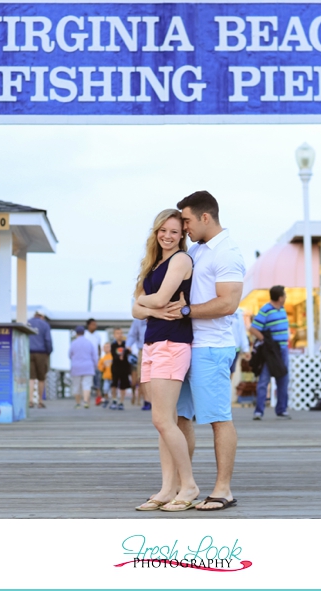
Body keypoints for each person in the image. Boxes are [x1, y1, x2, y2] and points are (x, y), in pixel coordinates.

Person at [177, 191, 245, 511]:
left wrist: (187, 312)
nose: (184, 226)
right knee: (180, 417)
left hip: (212, 347)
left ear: (206, 217)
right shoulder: (198, 249)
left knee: (219, 418)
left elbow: (228, 303)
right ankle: (184, 486)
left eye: (187, 220)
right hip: (188, 346)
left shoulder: (227, 252)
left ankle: (223, 490)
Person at [132, 208, 199, 512]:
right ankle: (167, 487)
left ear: (182, 234)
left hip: (173, 343)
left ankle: (189, 485)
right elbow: (136, 310)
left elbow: (152, 301)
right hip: (152, 343)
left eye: (174, 231)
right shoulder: (151, 265)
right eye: (163, 230)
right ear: (156, 231)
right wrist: (148, 307)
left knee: (162, 419)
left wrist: (146, 304)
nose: (168, 236)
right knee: (162, 422)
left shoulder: (181, 260)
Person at [249, 285, 291, 420]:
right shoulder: (266, 310)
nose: (285, 297)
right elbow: (253, 329)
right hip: (272, 351)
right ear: (280, 297)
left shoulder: (282, 309)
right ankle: (259, 411)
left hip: (283, 349)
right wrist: (266, 341)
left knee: (283, 378)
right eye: (284, 295)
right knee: (264, 380)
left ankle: (281, 409)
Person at [27, 309, 53, 409]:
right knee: (41, 378)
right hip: (41, 353)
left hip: (29, 352)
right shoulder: (45, 324)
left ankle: (30, 401)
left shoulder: (28, 323)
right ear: (42, 316)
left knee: (31, 377)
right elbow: (48, 340)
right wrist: (49, 351)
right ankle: (40, 401)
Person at [69, 325, 98, 409]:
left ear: (76, 333)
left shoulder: (73, 343)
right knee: (87, 385)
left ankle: (78, 403)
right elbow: (94, 356)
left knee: (76, 385)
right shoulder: (89, 343)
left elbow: (70, 355)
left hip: (76, 367)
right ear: (84, 333)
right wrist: (95, 366)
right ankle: (85, 401)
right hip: (88, 367)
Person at [126, 318, 149, 410]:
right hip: (143, 349)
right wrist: (128, 345)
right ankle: (147, 401)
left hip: (160, 348)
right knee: (143, 376)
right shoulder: (139, 319)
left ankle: (156, 401)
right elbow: (133, 334)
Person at [109, 328, 132, 410]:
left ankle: (121, 402)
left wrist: (126, 352)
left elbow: (129, 352)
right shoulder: (113, 345)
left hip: (124, 368)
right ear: (114, 335)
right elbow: (113, 354)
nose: (120, 335)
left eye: (121, 333)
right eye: (117, 333)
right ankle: (114, 400)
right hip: (115, 367)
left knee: (123, 385)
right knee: (114, 384)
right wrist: (119, 356)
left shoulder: (126, 344)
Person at [230, 309, 251, 374]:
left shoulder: (238, 312)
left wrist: (246, 349)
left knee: (231, 373)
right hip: (220, 347)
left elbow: (241, 330)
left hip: (235, 349)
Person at [97, 342, 113, 407]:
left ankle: (113, 401)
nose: (107, 348)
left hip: (113, 377)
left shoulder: (113, 356)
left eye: (108, 347)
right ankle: (106, 400)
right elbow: (99, 367)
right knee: (105, 389)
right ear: (103, 349)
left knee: (113, 391)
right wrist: (102, 368)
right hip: (106, 377)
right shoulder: (103, 358)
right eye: (105, 347)